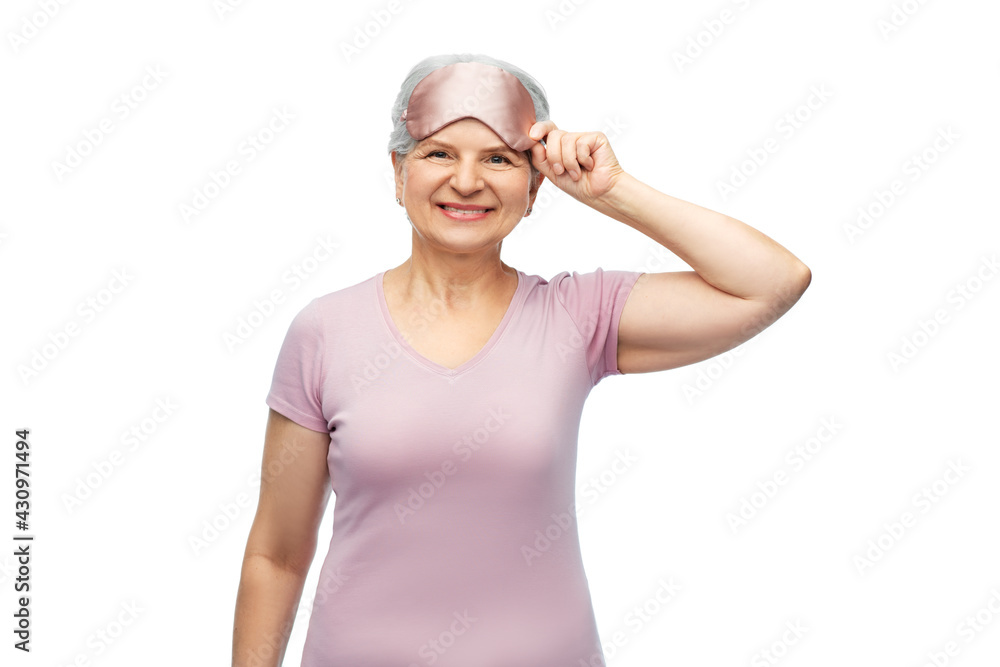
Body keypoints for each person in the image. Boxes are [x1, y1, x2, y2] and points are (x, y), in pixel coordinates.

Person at [232, 53, 811, 667]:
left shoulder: (576, 316)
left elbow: (773, 281)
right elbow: (277, 553)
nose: (466, 181)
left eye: (499, 159)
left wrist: (614, 191)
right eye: (438, 153)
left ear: (535, 188)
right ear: (398, 171)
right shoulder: (325, 331)